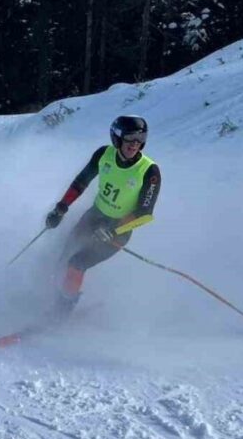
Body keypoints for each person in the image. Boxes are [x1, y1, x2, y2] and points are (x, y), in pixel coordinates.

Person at [44, 115, 161, 313]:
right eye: (130, 138)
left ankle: (62, 309)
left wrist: (113, 231)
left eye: (140, 139)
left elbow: (144, 213)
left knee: (77, 262)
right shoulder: (103, 154)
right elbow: (81, 182)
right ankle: (47, 293)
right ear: (117, 137)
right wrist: (61, 208)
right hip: (94, 217)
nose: (135, 144)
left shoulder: (149, 171)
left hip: (118, 230)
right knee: (64, 253)